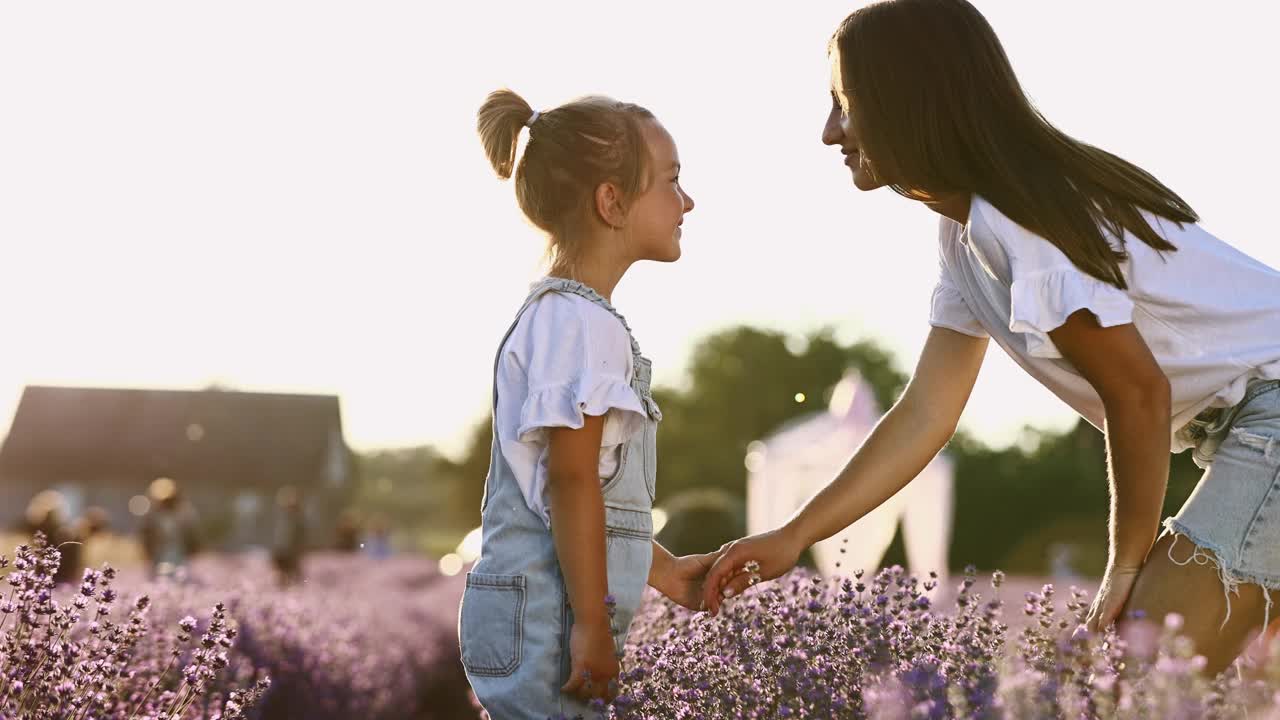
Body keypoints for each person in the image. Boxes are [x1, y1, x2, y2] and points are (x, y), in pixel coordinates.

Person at [703, 0, 1280, 677]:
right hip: (1248, 427)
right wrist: (795, 534)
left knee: (1139, 678)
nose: (830, 131)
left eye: (846, 103)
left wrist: (1124, 568)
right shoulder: (966, 237)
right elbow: (923, 415)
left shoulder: (1023, 219)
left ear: (911, 102)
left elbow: (1138, 394)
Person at [457, 89, 718, 718]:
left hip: (534, 617)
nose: (688, 201)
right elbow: (573, 482)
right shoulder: (583, 324)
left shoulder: (565, 316)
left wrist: (664, 570)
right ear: (612, 202)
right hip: (549, 624)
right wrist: (592, 626)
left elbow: (573, 491)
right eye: (672, 181)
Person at [139, 477, 201, 579]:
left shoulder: (184, 514)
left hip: (179, 552)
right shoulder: (151, 517)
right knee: (159, 577)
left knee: (179, 576)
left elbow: (191, 535)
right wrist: (148, 552)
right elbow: (145, 536)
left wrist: (192, 549)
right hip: (158, 553)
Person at [270, 485, 307, 586]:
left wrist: (299, 551)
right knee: (283, 579)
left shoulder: (298, 520)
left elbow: (301, 538)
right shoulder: (281, 519)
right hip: (282, 553)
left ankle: (294, 597)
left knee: (294, 579)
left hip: (291, 554)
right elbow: (277, 538)